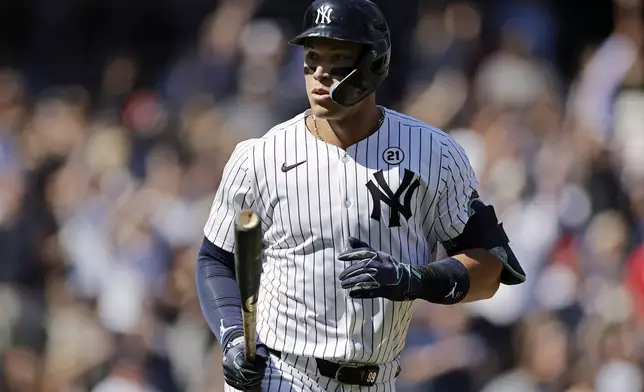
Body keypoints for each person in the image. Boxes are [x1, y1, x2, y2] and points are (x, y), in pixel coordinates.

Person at [196, 0, 527, 391]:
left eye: (336, 59)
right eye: (311, 58)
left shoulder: (433, 153)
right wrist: (234, 337)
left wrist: (413, 280)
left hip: (378, 379)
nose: (319, 74)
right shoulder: (259, 156)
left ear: (374, 65)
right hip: (280, 374)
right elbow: (215, 259)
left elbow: (491, 269)